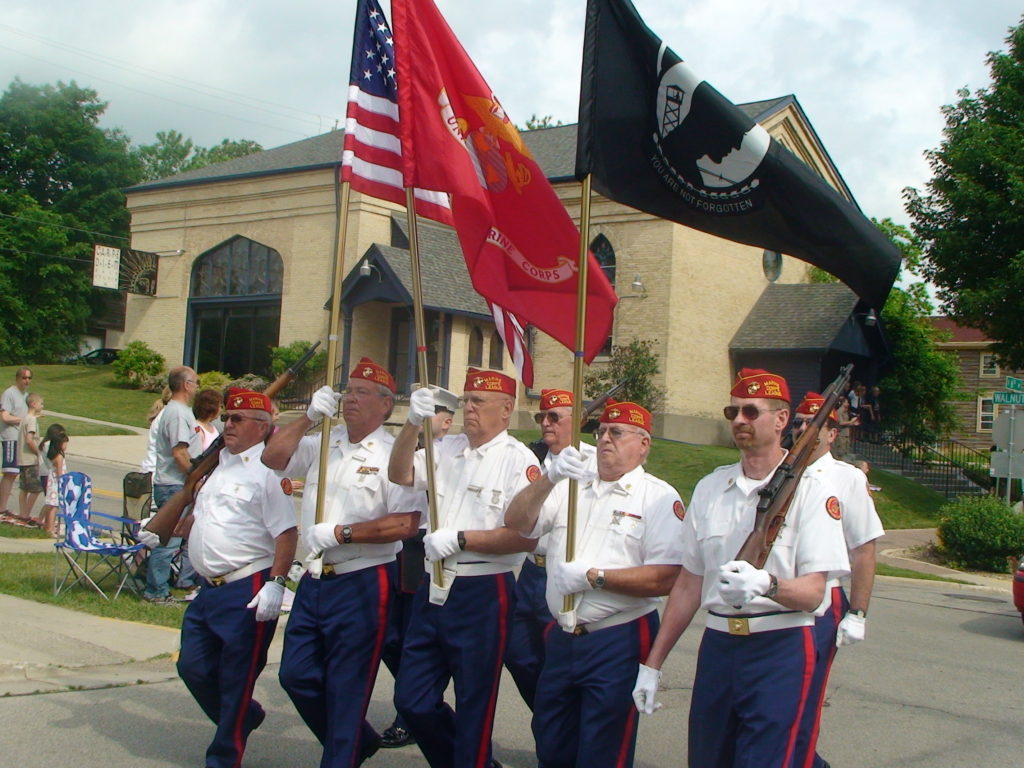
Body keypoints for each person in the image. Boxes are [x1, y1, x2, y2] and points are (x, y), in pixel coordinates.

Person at [632, 368, 850, 768]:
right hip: (719, 647)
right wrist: (653, 663)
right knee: (707, 758)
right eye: (733, 411)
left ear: (782, 420)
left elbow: (814, 592)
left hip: (780, 647)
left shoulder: (813, 491)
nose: (738, 420)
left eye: (751, 412)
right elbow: (687, 585)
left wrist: (767, 584)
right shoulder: (711, 488)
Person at [261, 357, 424, 768]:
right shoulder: (324, 442)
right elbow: (273, 457)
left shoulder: (394, 455)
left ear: (387, 405)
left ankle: (342, 755)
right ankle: (358, 741)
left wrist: (342, 533)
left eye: (363, 392)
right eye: (348, 390)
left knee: (348, 686)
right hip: (315, 579)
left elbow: (405, 523)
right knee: (295, 675)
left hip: (364, 579)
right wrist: (309, 417)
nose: (351, 398)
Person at [505, 399, 684, 768]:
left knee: (603, 751)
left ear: (643, 444)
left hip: (617, 638)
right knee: (551, 742)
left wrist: (596, 578)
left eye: (617, 432)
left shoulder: (658, 497)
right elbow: (518, 521)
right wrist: (550, 478)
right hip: (563, 636)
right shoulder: (573, 485)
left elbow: (666, 576)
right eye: (601, 431)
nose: (605, 439)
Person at [388, 368, 541, 768]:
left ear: (506, 410)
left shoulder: (518, 461)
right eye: (465, 400)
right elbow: (400, 473)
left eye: (478, 402)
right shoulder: (445, 447)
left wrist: (461, 539)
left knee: (475, 702)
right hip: (433, 587)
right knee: (412, 699)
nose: (467, 408)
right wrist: (410, 425)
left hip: (483, 590)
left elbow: (526, 536)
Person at [160, 389, 298, 768]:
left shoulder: (267, 473)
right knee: (192, 666)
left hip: (245, 587)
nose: (228, 424)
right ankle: (243, 717)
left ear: (262, 427)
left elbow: (286, 533)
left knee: (237, 678)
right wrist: (167, 528)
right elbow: (205, 521)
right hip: (207, 589)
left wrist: (277, 582)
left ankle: (224, 756)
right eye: (227, 417)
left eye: (238, 419)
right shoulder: (216, 465)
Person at [789, 391, 885, 768]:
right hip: (776, 596)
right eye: (798, 422)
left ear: (831, 434)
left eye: (813, 424)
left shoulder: (844, 479)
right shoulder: (781, 469)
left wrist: (858, 613)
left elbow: (864, 550)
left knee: (805, 695)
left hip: (822, 599)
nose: (802, 430)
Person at [503, 387, 597, 714]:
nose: (546, 423)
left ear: (578, 420)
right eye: (541, 416)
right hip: (531, 570)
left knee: (558, 661)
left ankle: (558, 725)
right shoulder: (533, 459)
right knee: (517, 654)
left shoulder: (597, 462)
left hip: (565, 572)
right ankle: (547, 716)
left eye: (555, 417)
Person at [379, 384, 459, 750]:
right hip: (393, 551)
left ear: (446, 421)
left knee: (412, 638)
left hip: (423, 549)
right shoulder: (406, 447)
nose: (427, 418)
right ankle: (413, 705)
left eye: (432, 413)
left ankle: (408, 715)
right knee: (390, 639)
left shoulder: (446, 456)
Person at [144, 366, 201, 603]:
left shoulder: (179, 411)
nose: (198, 386)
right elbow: (179, 453)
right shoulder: (177, 413)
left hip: (174, 483)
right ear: (186, 385)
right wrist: (194, 476)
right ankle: (155, 591)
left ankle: (159, 586)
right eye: (196, 382)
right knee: (169, 542)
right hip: (173, 485)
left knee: (172, 540)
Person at [0, 367, 32, 516]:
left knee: (14, 473)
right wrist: (24, 420)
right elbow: (5, 417)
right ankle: (2, 508)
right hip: (10, 436)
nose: (27, 381)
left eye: (29, 378)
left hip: (20, 438)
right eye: (24, 378)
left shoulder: (25, 396)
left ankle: (3, 507)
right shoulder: (9, 393)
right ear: (18, 378)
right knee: (10, 472)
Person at [38, 424, 69, 537]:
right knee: (54, 506)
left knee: (50, 505)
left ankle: (46, 526)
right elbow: (60, 472)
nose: (66, 446)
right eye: (65, 443)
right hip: (56, 483)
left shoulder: (53, 455)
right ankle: (50, 528)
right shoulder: (59, 457)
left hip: (51, 480)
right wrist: (64, 482)